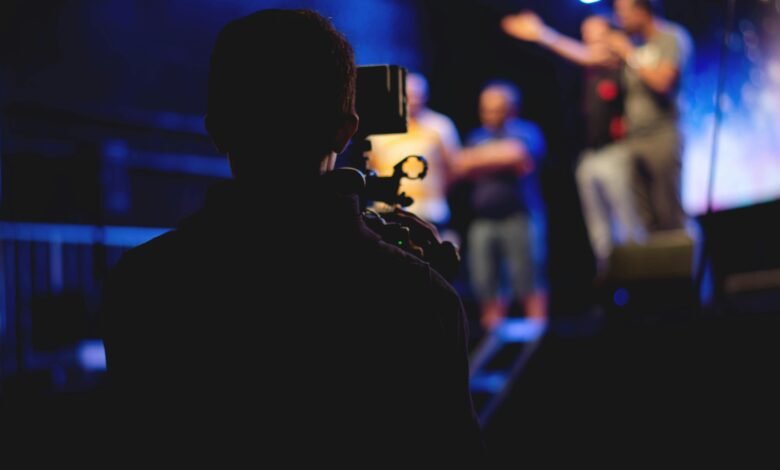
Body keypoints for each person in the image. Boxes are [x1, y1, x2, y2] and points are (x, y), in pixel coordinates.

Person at [100, 9, 484, 463]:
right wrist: (434, 298)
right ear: (346, 132)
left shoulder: (142, 281)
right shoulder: (419, 295)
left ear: (217, 128)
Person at [503, 12, 646, 268]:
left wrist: (542, 34)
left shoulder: (620, 59)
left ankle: (641, 279)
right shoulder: (585, 71)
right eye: (585, 35)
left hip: (616, 153)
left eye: (597, 34)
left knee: (628, 226)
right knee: (600, 232)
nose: (590, 41)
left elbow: (588, 55)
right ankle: (614, 287)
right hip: (588, 156)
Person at [452, 81, 547, 330]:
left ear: (511, 109)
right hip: (483, 219)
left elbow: (516, 155)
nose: (490, 114)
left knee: (527, 276)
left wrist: (478, 160)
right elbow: (459, 164)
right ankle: (492, 334)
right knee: (485, 280)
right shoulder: (476, 136)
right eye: (486, 109)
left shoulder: (527, 132)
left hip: (520, 215)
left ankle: (537, 333)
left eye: (497, 109)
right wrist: (493, 158)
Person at [610, 0, 692, 232]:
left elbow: (662, 82)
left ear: (642, 11)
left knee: (670, 213)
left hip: (662, 134)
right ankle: (661, 268)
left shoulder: (670, 37)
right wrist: (545, 36)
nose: (619, 20)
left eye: (623, 13)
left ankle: (687, 267)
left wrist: (629, 54)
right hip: (635, 138)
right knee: (647, 221)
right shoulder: (636, 44)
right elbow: (587, 56)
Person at [368, 73, 461, 229]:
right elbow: (372, 166)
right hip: (389, 212)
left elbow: (453, 167)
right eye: (409, 95)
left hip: (430, 212)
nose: (414, 100)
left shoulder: (441, 126)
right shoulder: (381, 129)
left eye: (418, 95)